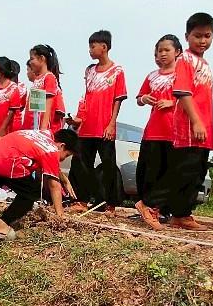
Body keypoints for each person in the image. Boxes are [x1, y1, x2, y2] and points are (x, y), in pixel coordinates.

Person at [0, 128, 78, 267]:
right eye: (66, 155)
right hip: (8, 164)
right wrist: (60, 217)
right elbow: (54, 186)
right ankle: (2, 224)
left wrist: (64, 179)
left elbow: (49, 165)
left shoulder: (43, 135)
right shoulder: (51, 150)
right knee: (32, 191)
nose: (62, 159)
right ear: (61, 146)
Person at [163, 14, 213, 231]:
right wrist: (196, 121)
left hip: (204, 127)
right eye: (197, 36)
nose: (202, 41)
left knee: (198, 171)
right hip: (189, 126)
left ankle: (186, 213)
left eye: (207, 36)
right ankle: (179, 214)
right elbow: (183, 92)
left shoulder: (204, 63)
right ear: (187, 36)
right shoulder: (185, 59)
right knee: (186, 170)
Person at [66, 30, 127, 215]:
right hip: (86, 127)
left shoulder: (117, 71)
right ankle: (81, 200)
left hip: (104, 127)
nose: (90, 50)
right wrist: (78, 118)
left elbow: (118, 99)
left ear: (104, 47)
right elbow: (86, 97)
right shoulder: (89, 70)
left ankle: (110, 204)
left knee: (108, 165)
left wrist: (112, 123)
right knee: (82, 164)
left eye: (93, 46)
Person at [134, 34, 183, 230]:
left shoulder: (182, 75)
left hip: (174, 131)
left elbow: (191, 98)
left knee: (169, 172)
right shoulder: (152, 76)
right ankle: (146, 208)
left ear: (177, 52)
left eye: (167, 50)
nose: (163, 54)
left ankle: (161, 210)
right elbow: (138, 98)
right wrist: (144, 98)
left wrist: (173, 102)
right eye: (160, 50)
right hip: (153, 131)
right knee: (149, 172)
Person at [25, 45, 67, 131]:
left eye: (32, 59)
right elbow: (35, 105)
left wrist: (43, 127)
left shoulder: (49, 77)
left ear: (41, 58)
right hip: (33, 126)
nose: (30, 62)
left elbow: (49, 102)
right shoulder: (37, 79)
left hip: (42, 128)